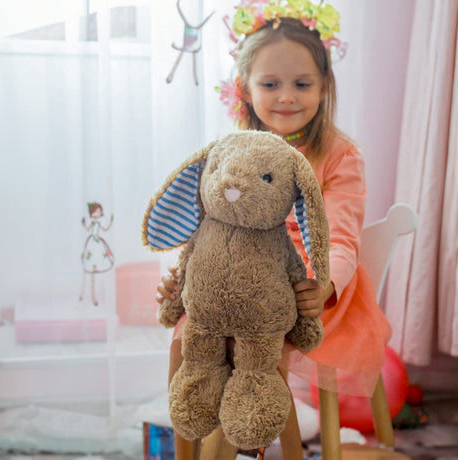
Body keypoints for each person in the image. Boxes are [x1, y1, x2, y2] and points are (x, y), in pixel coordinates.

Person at [156, 0, 391, 448]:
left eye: (301, 84)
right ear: (245, 88)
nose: (286, 96)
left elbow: (341, 240)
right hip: (230, 277)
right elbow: (207, 226)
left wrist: (322, 285)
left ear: (324, 86)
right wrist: (183, 278)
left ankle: (239, 441)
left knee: (250, 347)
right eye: (270, 84)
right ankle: (191, 446)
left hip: (306, 286)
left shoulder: (340, 156)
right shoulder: (231, 148)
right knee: (187, 339)